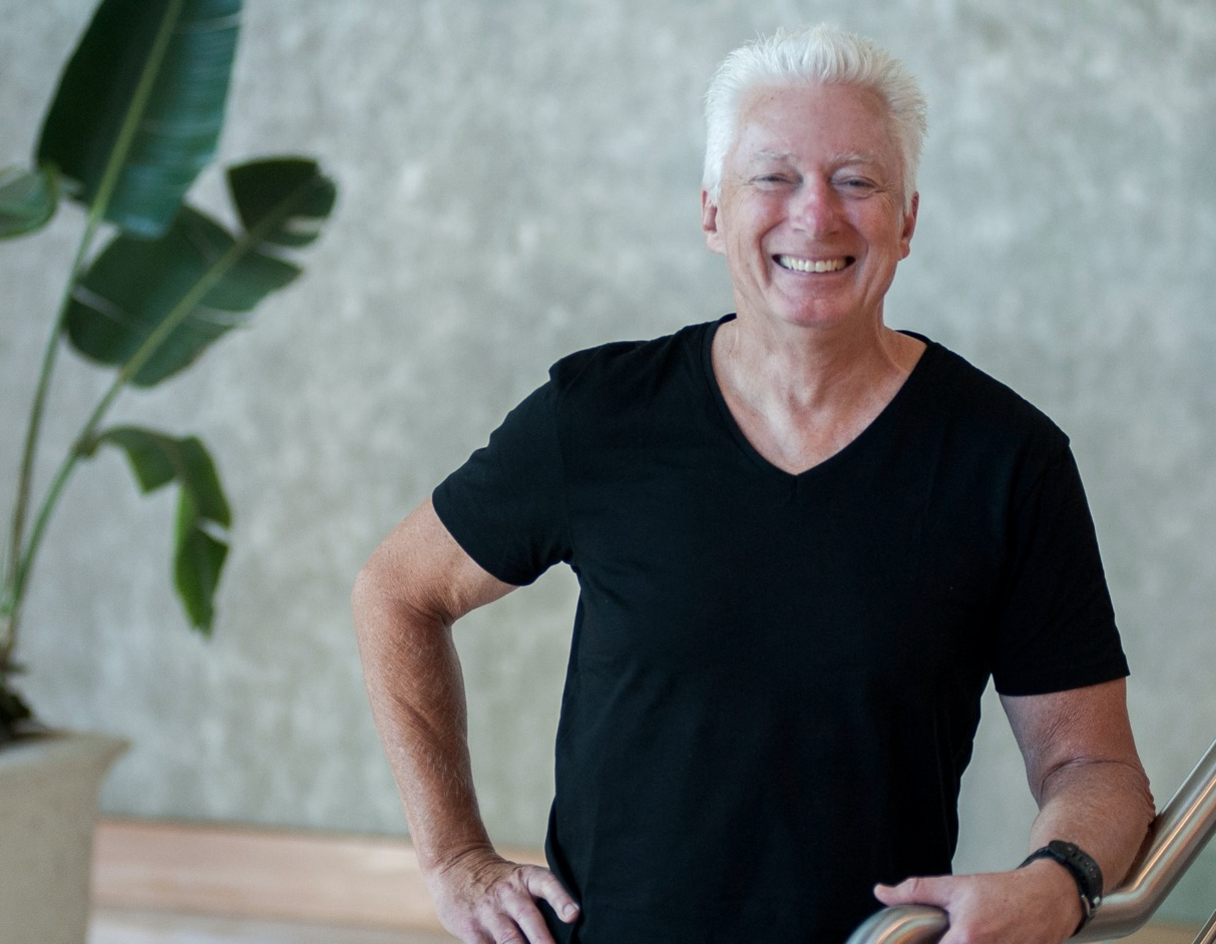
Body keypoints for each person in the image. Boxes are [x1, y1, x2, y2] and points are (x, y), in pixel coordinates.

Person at [353, 24, 1154, 944]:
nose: (816, 216)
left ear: (907, 220)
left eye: (856, 180)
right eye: (773, 177)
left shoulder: (1008, 460)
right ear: (711, 213)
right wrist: (453, 859)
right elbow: (397, 591)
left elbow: (1094, 764)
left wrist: (1059, 882)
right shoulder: (599, 415)